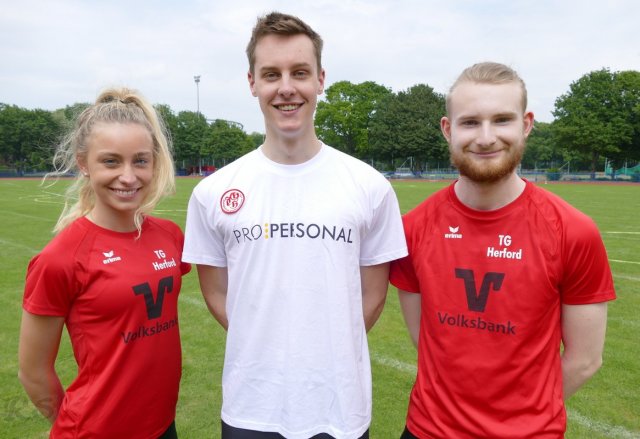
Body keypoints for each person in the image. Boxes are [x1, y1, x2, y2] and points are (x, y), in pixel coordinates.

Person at [182, 11, 407, 439]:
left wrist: (321, 351)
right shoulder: (213, 192)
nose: (286, 87)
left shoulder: (369, 186)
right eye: (272, 74)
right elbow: (216, 292)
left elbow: (373, 295)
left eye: (299, 73)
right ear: (252, 82)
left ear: (320, 79)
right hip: (251, 408)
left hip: (339, 408)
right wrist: (267, 345)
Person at [389, 61, 616, 438]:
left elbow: (585, 359)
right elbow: (426, 341)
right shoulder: (413, 228)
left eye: (502, 120)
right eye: (470, 122)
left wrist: (522, 417)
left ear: (525, 124)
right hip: (427, 430)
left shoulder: (573, 231)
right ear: (448, 129)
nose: (485, 137)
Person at [18, 87, 191, 438]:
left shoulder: (170, 236)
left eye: (140, 160)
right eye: (111, 161)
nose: (128, 176)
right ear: (84, 163)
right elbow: (33, 372)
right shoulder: (60, 258)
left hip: (162, 425)